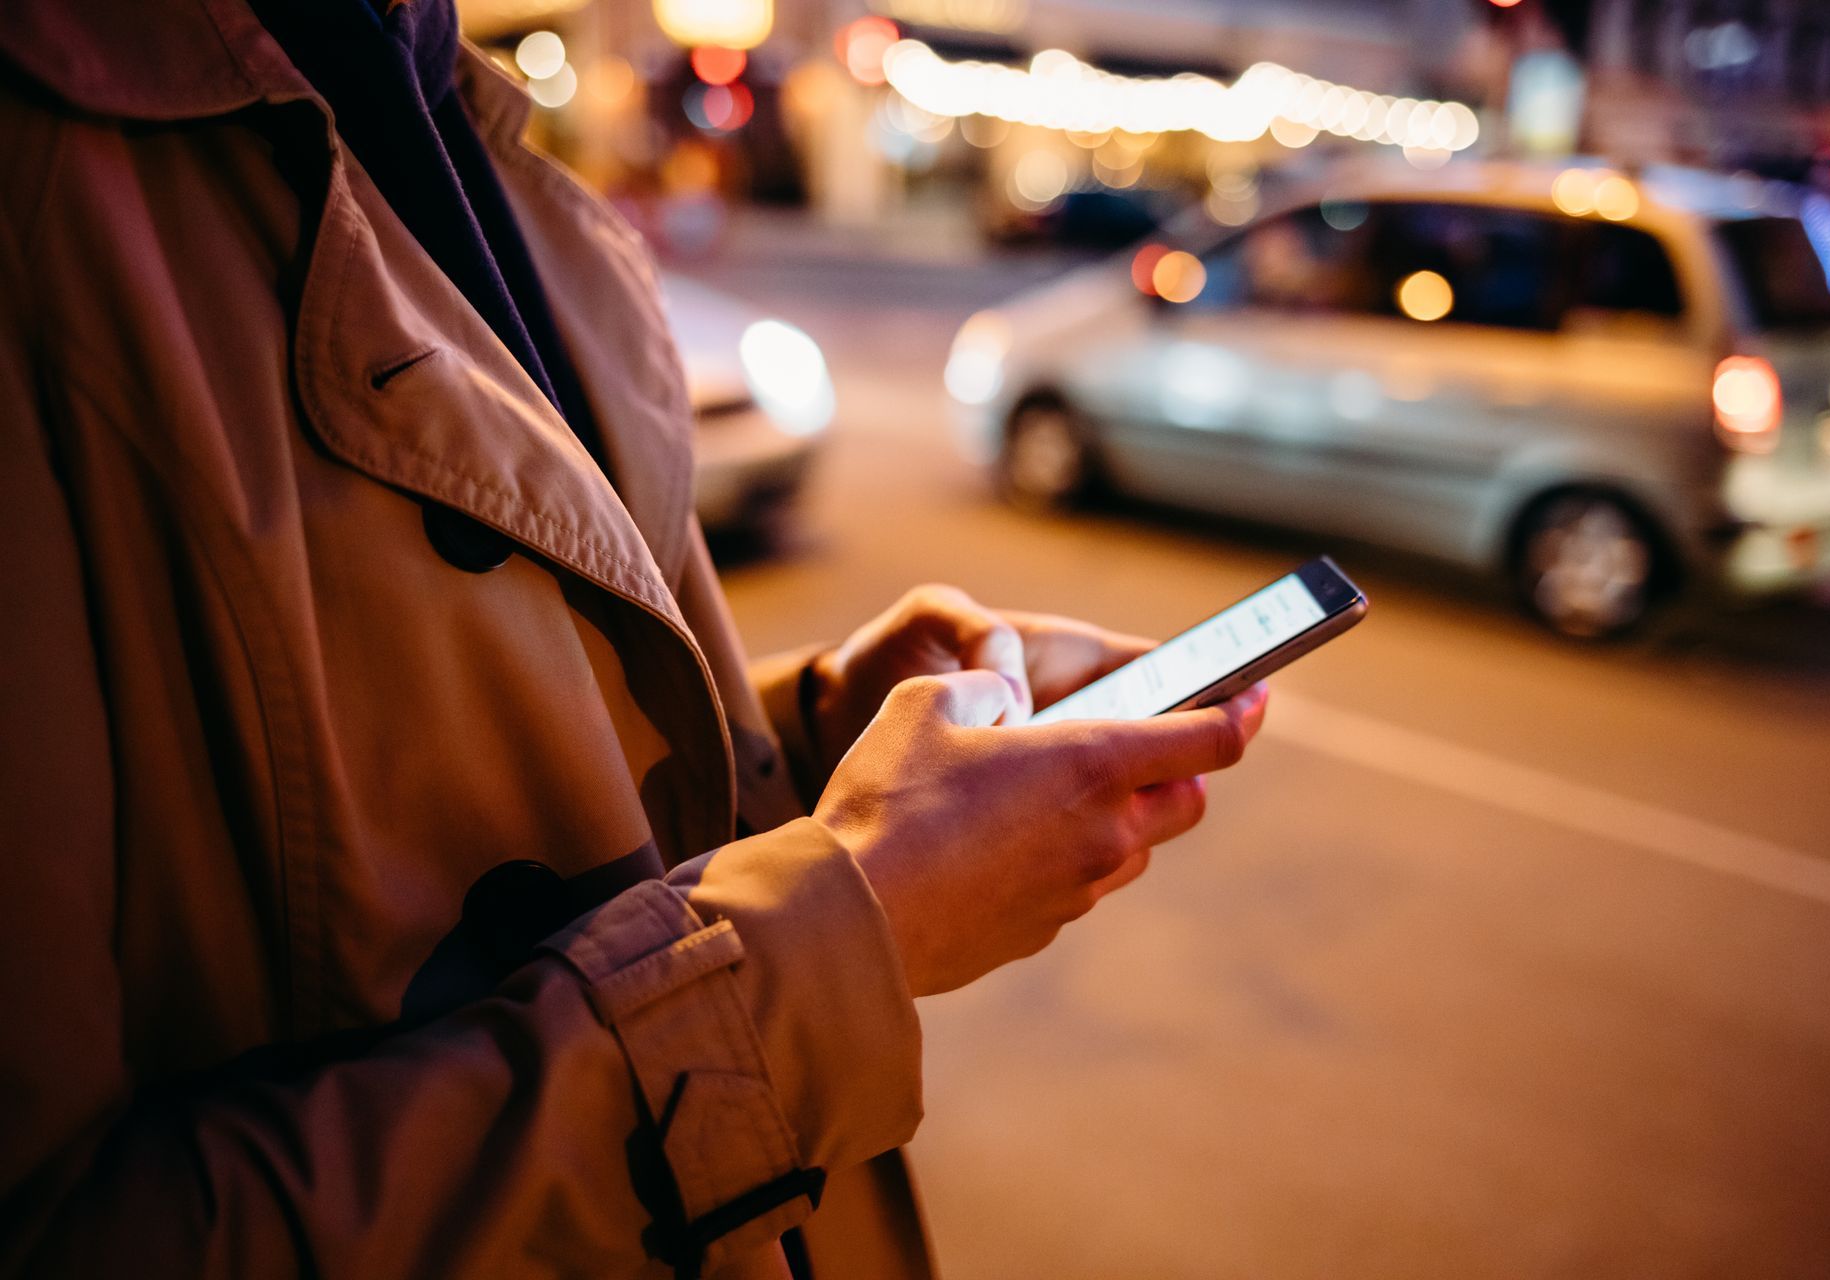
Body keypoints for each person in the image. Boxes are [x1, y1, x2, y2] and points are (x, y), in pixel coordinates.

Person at [0, 1, 1267, 1276]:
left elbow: (436, 757)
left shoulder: (456, 112)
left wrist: (812, 732)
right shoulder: (53, 188)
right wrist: (851, 924)